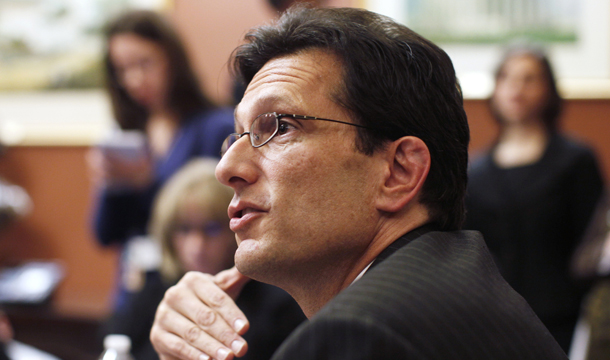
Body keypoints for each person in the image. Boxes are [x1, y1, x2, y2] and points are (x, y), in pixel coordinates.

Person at [149, 7, 568, 360]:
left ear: (399, 172)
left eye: (278, 126)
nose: (226, 168)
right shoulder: (447, 286)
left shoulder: (359, 335)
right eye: (237, 134)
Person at [88, 10, 234, 308]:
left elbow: (213, 216)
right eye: (122, 69)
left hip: (195, 289)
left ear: (172, 59)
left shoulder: (214, 127)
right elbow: (104, 234)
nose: (134, 79)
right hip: (135, 290)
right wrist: (111, 184)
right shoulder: (129, 135)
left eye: (144, 63)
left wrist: (148, 183)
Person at [464, 45, 604, 352]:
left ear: (549, 89)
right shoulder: (476, 171)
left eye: (529, 79)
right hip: (492, 320)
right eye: (507, 78)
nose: (516, 89)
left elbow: (591, 246)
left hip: (562, 320)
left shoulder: (575, 161)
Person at [101, 158, 306, 360]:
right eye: (185, 229)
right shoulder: (153, 293)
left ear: (236, 227)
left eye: (211, 229)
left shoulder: (278, 305)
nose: (196, 246)